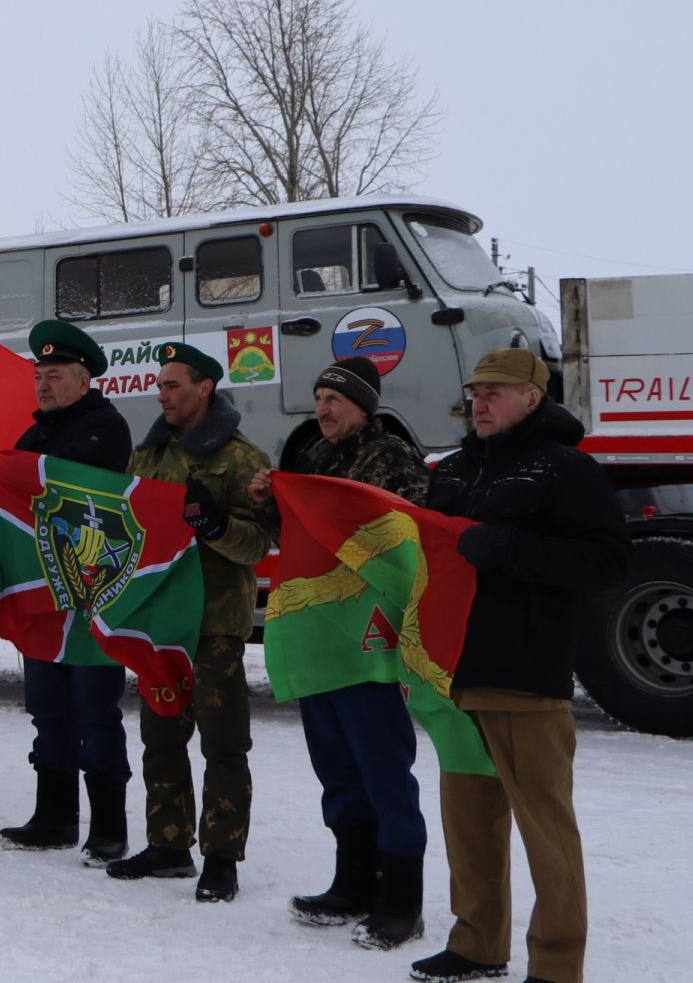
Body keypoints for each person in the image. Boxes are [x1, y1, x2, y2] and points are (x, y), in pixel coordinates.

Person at [409, 349, 626, 983]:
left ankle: (557, 966)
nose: (479, 402)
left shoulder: (566, 469)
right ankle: (477, 945)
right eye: (475, 391)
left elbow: (609, 562)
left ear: (532, 397)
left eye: (495, 391)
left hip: (527, 677)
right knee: (469, 828)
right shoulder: (449, 469)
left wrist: (505, 547)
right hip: (455, 674)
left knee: (546, 835)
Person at [248, 357, 431, 948]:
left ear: (364, 406)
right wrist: (270, 502)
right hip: (321, 636)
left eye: (336, 400)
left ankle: (401, 901)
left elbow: (412, 538)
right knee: (337, 769)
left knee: (384, 769)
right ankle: (352, 883)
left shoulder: (394, 458)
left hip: (370, 638)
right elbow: (299, 542)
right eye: (319, 397)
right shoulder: (316, 460)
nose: (323, 410)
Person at [111, 342, 273, 903]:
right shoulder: (148, 454)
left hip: (214, 622)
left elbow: (257, 545)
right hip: (161, 624)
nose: (162, 395)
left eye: (173, 384)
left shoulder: (242, 458)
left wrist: (214, 525)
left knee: (223, 743)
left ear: (205, 388)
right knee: (160, 736)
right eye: (160, 386)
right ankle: (169, 844)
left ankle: (221, 858)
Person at [0, 321, 135, 863]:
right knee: (48, 711)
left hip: (91, 598)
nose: (43, 386)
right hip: (45, 600)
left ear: (84, 380)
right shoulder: (34, 435)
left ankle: (109, 826)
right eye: (40, 377)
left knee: (95, 714)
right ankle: (54, 818)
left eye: (54, 377)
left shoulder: (107, 428)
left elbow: (59, 482)